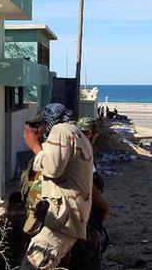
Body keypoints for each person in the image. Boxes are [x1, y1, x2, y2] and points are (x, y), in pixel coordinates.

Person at [21, 103, 94, 270]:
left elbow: (52, 169)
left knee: (33, 264)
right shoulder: (75, 134)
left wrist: (34, 146)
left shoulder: (61, 130)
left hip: (63, 218)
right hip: (67, 216)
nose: (37, 130)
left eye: (39, 125)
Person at [68, 117, 110, 270]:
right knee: (88, 256)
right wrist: (105, 208)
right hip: (85, 215)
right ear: (91, 133)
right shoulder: (85, 153)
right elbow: (90, 186)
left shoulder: (70, 149)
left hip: (69, 214)